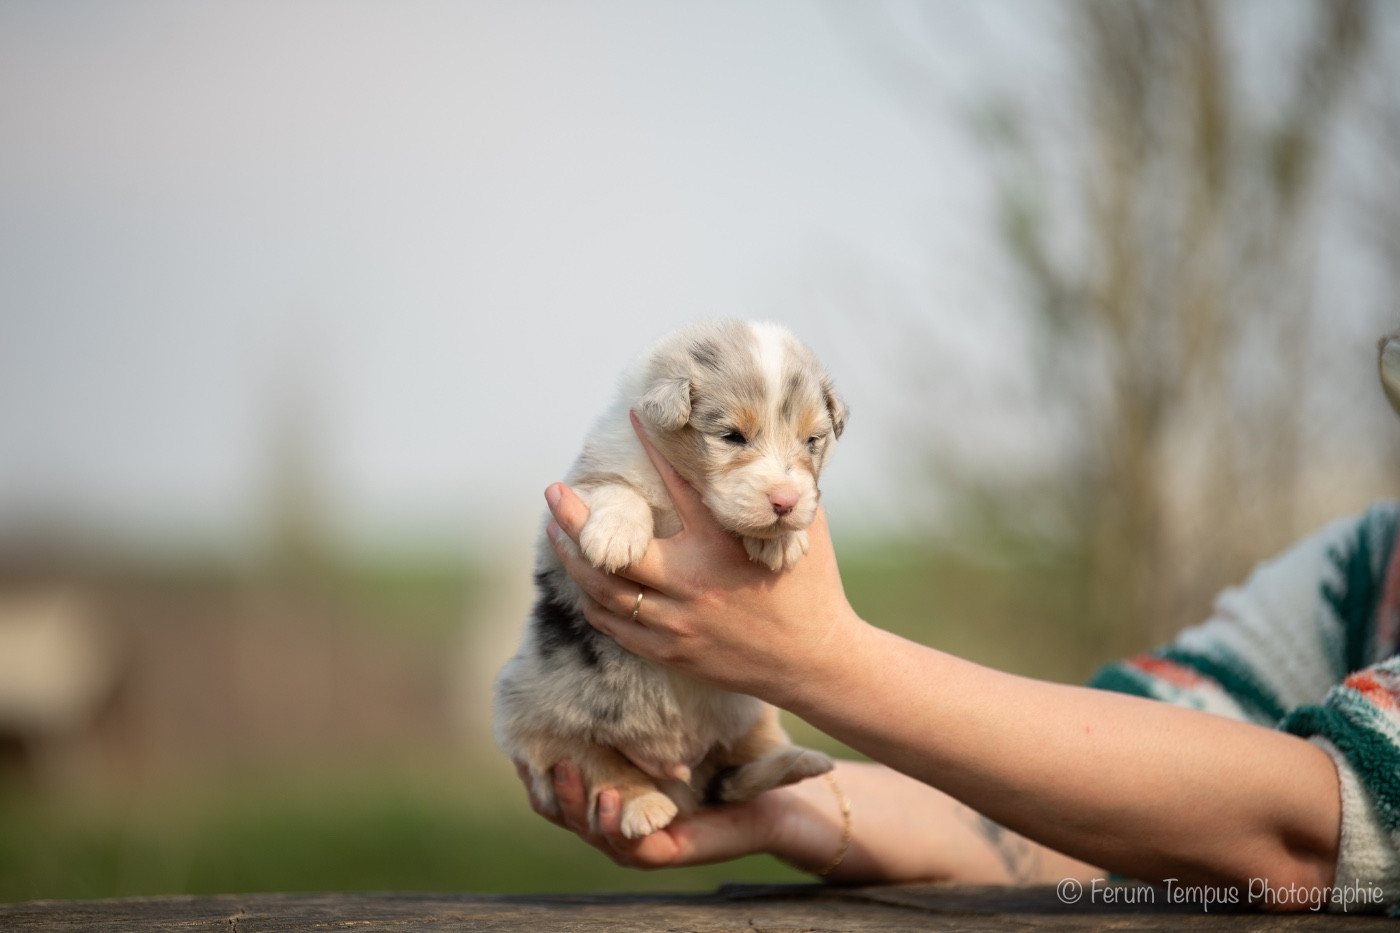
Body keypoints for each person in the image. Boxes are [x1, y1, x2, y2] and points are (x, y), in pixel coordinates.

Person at [518, 341, 1400, 915]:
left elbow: (1309, 830)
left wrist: (821, 658)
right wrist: (783, 810)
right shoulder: (1360, 565)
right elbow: (1102, 794)